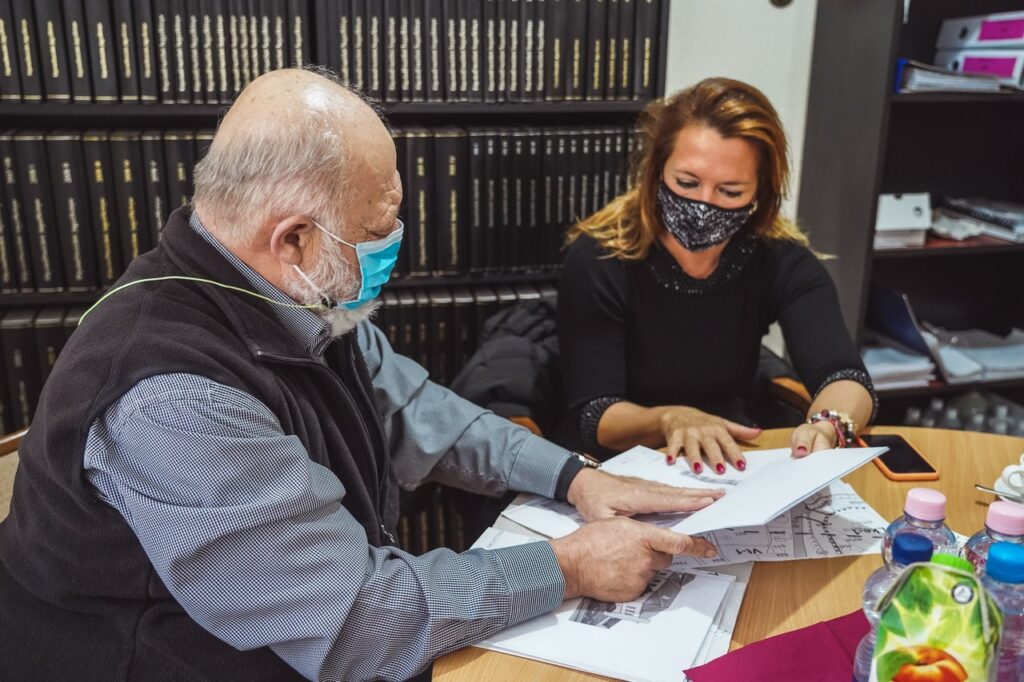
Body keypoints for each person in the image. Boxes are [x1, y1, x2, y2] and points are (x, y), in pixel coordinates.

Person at [0, 68, 723, 681]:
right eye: (379, 230)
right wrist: (570, 566)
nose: (394, 246)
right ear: (293, 238)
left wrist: (574, 478)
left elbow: (422, 414)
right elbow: (355, 620)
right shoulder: (174, 400)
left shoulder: (292, 294)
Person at [557, 77, 877, 472]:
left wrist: (829, 426)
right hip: (622, 461)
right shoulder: (601, 258)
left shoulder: (778, 260)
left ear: (761, 192)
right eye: (687, 183)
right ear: (655, 171)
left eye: (730, 191)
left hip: (730, 456)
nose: (704, 203)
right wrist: (671, 419)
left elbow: (844, 375)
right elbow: (597, 416)